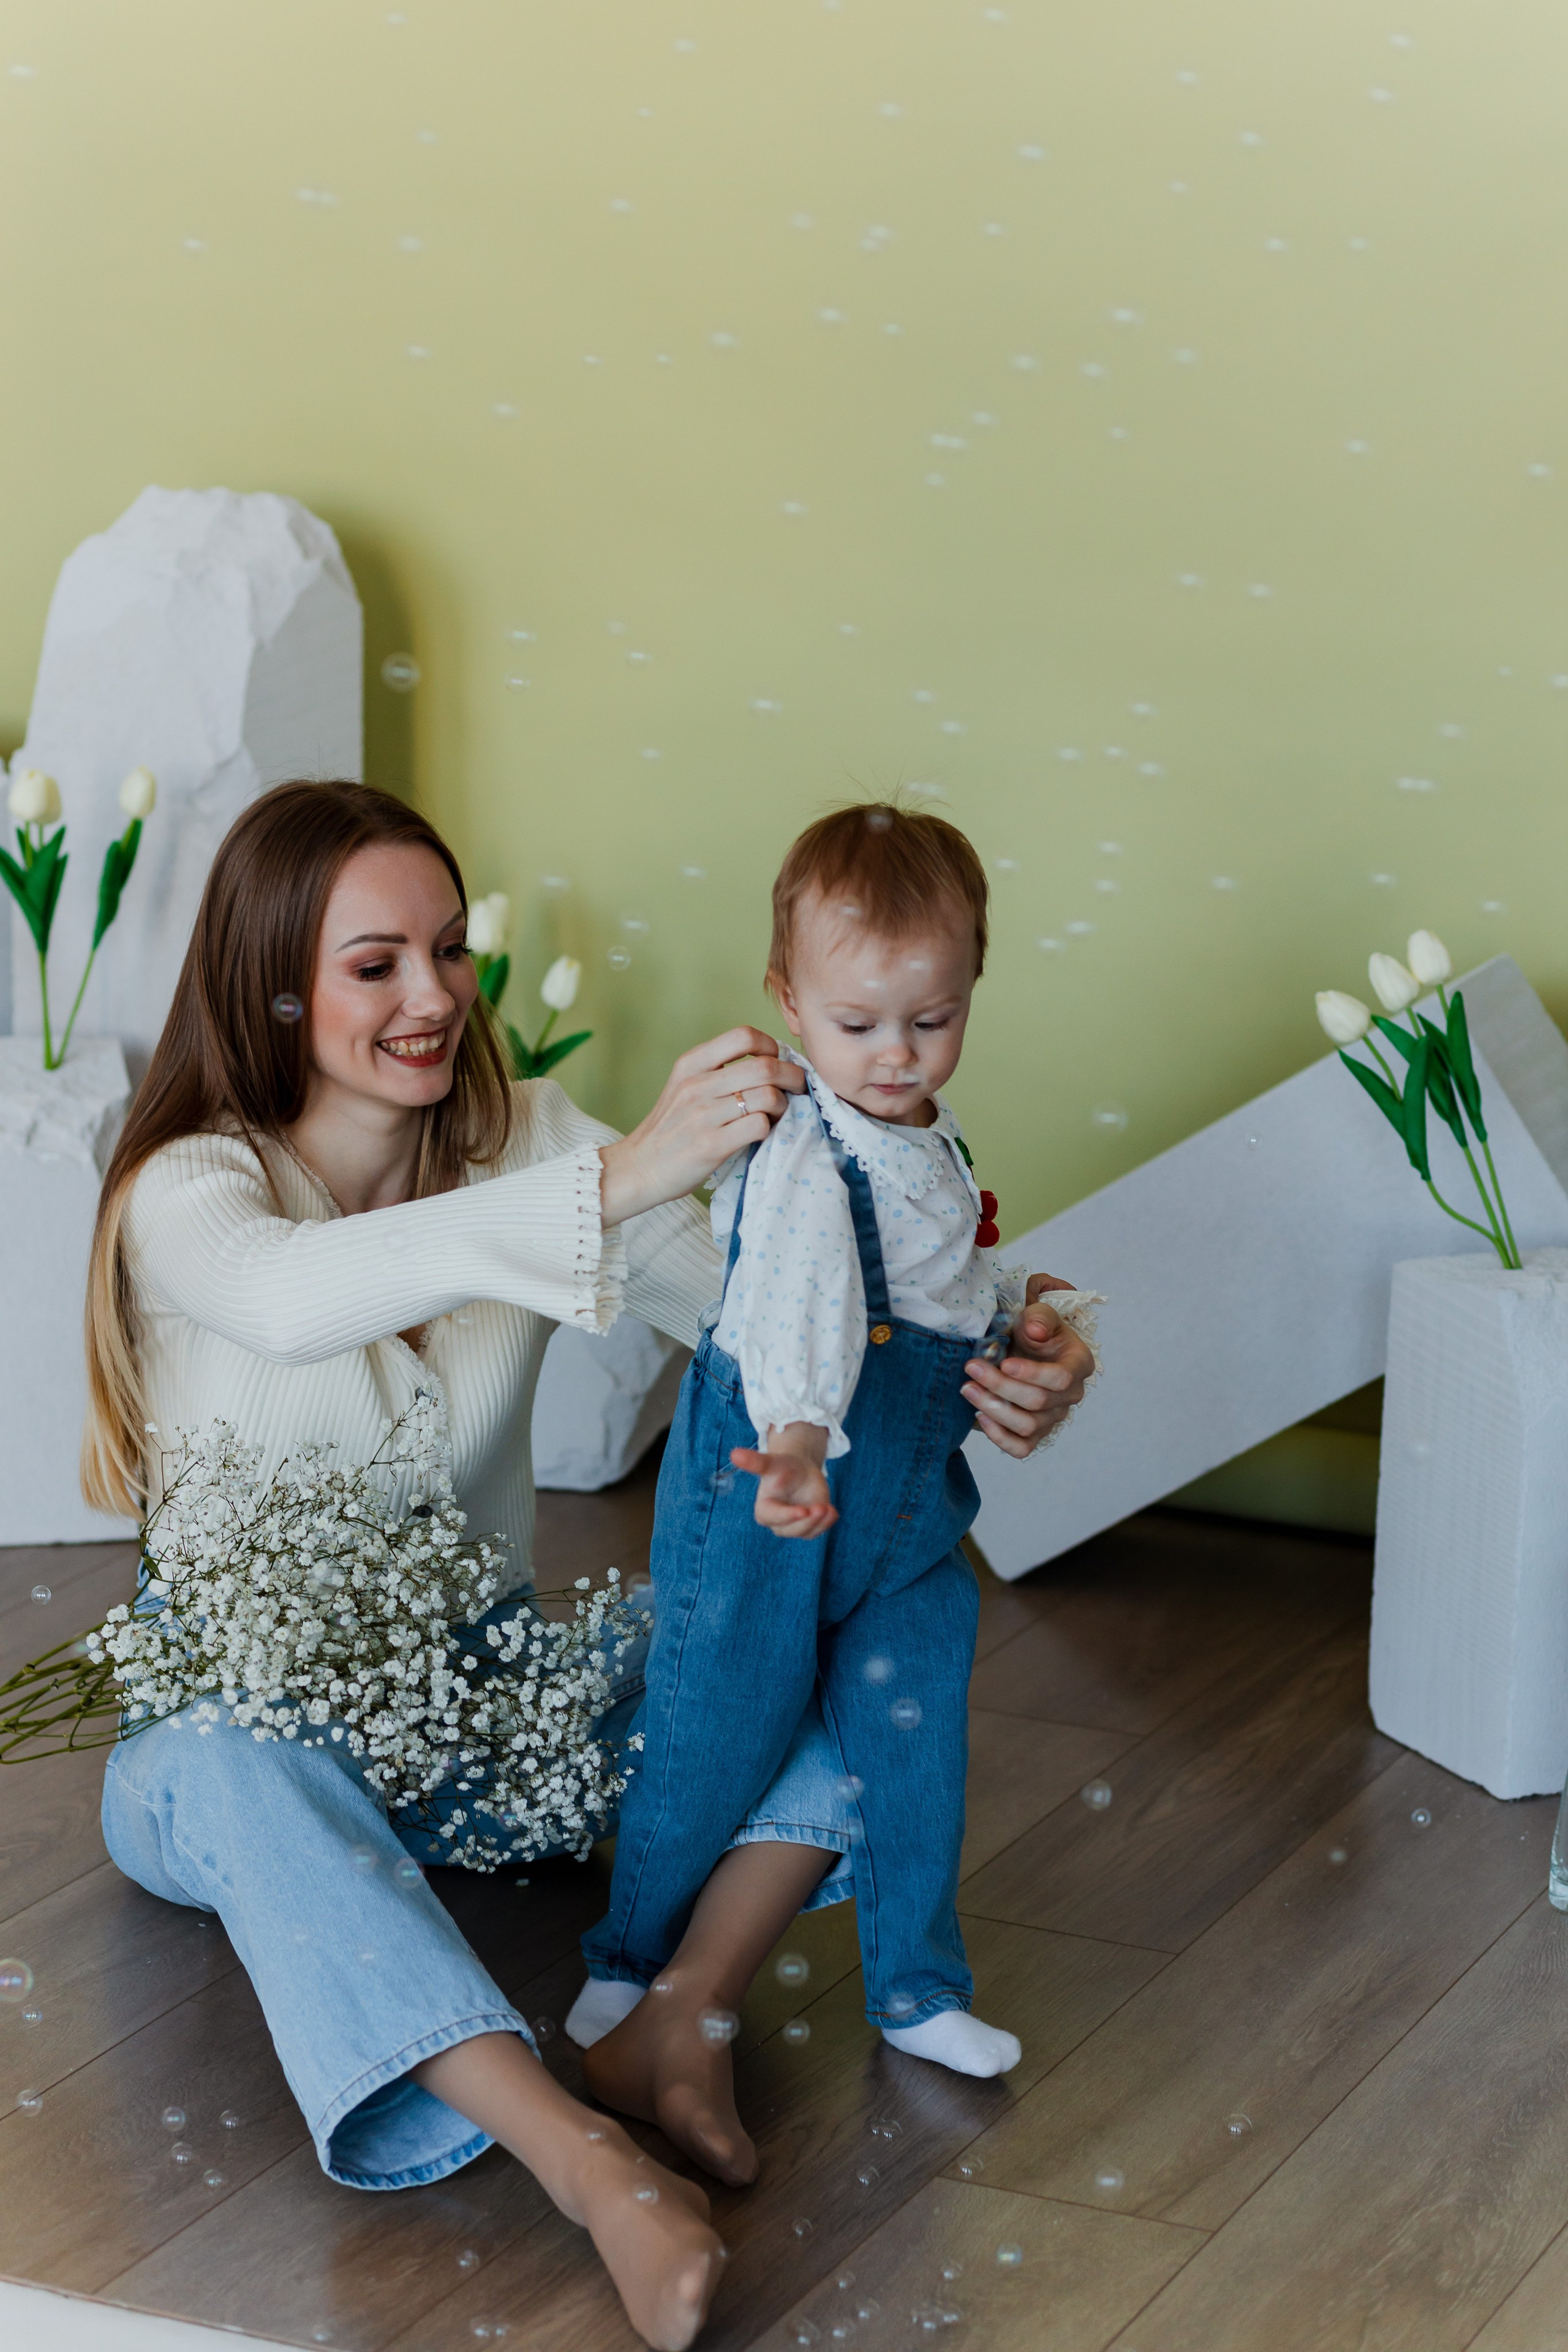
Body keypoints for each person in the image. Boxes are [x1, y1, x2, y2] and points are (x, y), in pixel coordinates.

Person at [82, 781, 1093, 2350]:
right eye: (374, 966)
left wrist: (1004, 1352)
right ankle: (584, 2164)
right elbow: (290, 1299)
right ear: (274, 980)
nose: (433, 997)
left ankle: (682, 2010)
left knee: (817, 1658)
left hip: (490, 1707)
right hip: (227, 1719)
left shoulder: (529, 1137)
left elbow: (766, 1318)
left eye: (448, 948)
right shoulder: (189, 1192)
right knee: (223, 1765)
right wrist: (622, 1176)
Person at [578, 803, 1101, 2146]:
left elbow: (930, 1279)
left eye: (929, 1020)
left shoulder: (923, 1137)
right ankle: (628, 1965)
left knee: (911, 1733)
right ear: (787, 1000)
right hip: (774, 1472)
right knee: (719, 1715)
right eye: (856, 1024)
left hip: (911, 1506)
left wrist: (1012, 1312)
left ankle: (917, 1983)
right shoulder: (806, 1148)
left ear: (968, 986)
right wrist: (800, 1437)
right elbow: (803, 1299)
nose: (892, 1055)